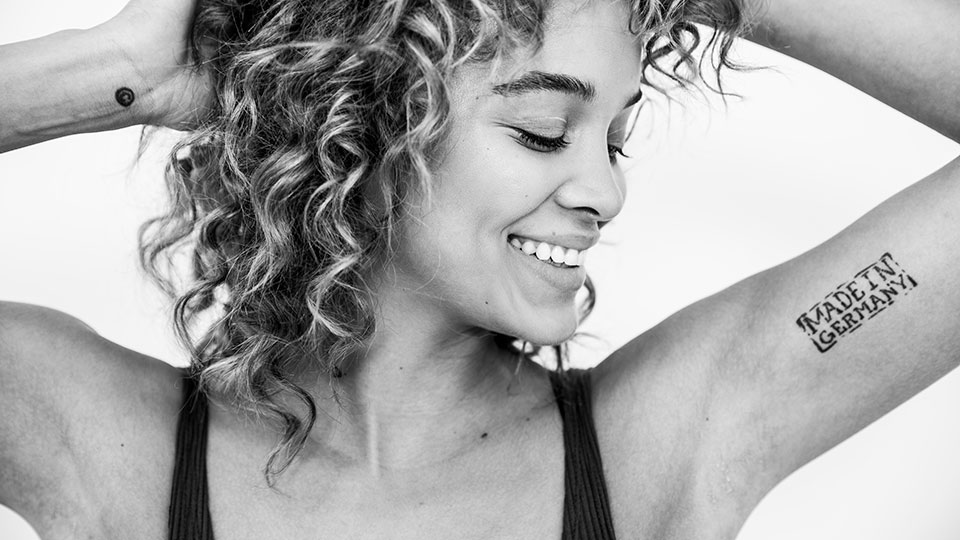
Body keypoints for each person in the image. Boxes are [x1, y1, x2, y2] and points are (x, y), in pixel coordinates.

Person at [1, 0, 959, 538]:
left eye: (615, 139)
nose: (606, 192)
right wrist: (117, 70)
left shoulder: (665, 443)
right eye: (544, 130)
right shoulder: (97, 437)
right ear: (355, 122)